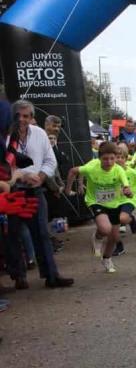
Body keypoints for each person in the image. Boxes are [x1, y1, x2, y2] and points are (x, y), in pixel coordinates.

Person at [4, 100, 73, 289]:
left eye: (27, 116)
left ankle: (51, 275)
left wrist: (41, 177)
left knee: (42, 233)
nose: (23, 119)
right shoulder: (5, 136)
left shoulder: (40, 134)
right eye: (19, 115)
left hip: (35, 191)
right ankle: (18, 276)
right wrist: (21, 175)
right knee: (12, 235)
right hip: (12, 193)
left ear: (32, 117)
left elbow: (50, 161)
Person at [66, 142, 132, 273]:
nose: (109, 162)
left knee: (114, 236)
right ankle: (97, 236)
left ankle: (107, 258)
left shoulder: (118, 170)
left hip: (114, 204)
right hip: (96, 201)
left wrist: (127, 191)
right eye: (105, 159)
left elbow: (126, 186)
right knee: (105, 228)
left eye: (112, 158)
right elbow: (73, 171)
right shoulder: (92, 167)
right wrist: (68, 189)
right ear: (99, 158)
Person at [114, 145, 136, 256]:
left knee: (122, 219)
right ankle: (119, 247)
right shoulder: (110, 171)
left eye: (121, 157)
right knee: (112, 225)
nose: (119, 160)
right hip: (114, 200)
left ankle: (130, 219)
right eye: (116, 157)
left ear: (125, 158)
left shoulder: (131, 171)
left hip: (130, 199)